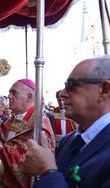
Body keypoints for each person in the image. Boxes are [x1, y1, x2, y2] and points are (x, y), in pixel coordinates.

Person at [24, 56, 110, 188]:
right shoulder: (70, 140)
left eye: (72, 85)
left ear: (104, 90)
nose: (62, 94)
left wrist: (48, 172)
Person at [0, 79, 55, 187]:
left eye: (14, 92)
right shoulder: (15, 117)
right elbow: (6, 138)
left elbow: (18, 160)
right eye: (9, 92)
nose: (8, 96)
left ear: (29, 97)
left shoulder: (38, 125)